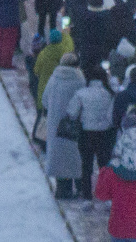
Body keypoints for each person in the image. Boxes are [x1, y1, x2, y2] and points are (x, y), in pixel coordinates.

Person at [67, 65, 117, 199]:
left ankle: (87, 196)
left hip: (86, 133)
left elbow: (72, 113)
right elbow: (111, 116)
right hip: (104, 133)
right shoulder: (109, 94)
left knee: (86, 165)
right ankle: (105, 195)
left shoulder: (81, 93)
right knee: (104, 166)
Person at [43, 52, 85, 198]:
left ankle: (63, 190)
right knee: (76, 156)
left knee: (59, 157)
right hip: (75, 124)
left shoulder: (54, 79)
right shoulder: (80, 80)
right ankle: (80, 188)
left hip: (56, 126)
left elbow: (45, 100)